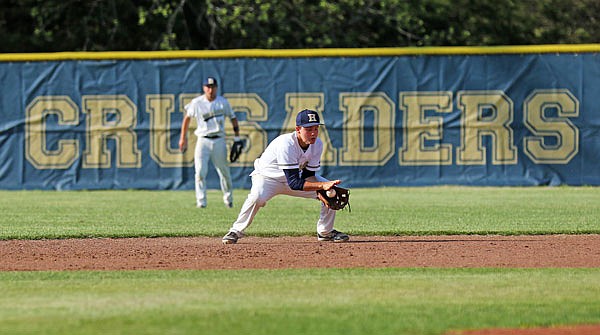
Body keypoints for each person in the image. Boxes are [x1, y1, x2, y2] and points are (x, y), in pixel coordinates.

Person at [222, 109, 349, 244]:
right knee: (257, 198)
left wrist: (321, 190)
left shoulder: (317, 144)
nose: (313, 133)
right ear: (298, 129)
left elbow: (308, 175)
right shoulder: (286, 143)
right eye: (309, 129)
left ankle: (325, 232)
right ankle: (235, 230)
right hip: (267, 178)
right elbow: (294, 183)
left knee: (332, 192)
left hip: (295, 178)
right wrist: (321, 186)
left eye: (316, 129)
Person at [179, 76, 240, 208]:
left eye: (212, 87)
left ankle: (228, 200)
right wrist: (182, 138)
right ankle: (201, 202)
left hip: (219, 140)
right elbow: (187, 119)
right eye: (208, 87)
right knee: (200, 172)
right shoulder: (197, 102)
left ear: (216, 88)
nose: (210, 89)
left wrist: (237, 137)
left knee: (224, 171)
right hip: (203, 140)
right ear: (204, 88)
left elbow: (233, 118)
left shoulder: (223, 102)